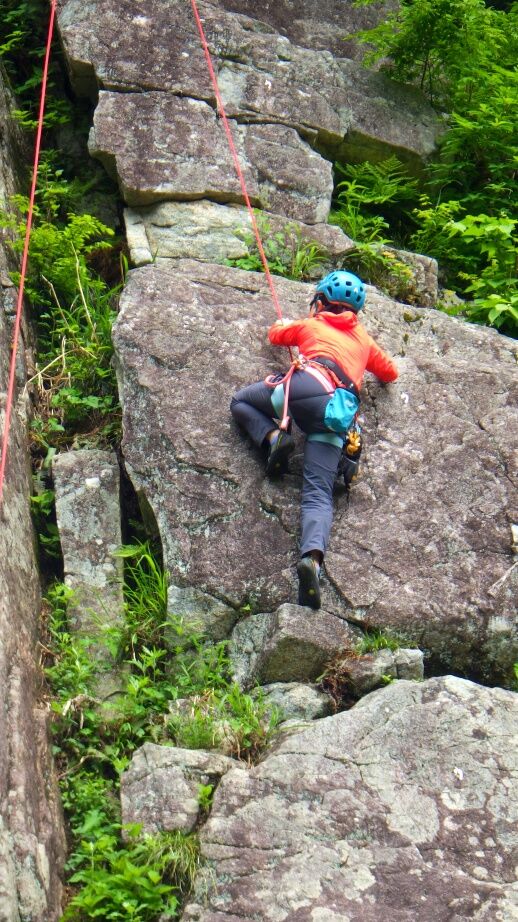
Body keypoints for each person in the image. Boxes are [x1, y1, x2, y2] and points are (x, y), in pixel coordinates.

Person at [230, 270, 398, 609]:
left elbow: (276, 335)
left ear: (321, 301)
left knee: (241, 402)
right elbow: (390, 372)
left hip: (304, 388)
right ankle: (312, 560)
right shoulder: (364, 340)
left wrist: (284, 324)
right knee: (318, 493)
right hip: (337, 414)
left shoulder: (311, 324)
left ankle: (273, 438)